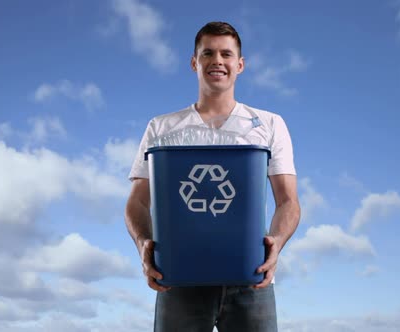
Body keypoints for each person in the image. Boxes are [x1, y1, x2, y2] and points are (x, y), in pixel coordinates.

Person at [125, 21, 300, 332]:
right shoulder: (162, 128)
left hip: (250, 274)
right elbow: (137, 202)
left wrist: (276, 243)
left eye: (226, 54)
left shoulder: (269, 125)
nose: (217, 61)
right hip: (179, 278)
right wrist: (144, 246)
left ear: (240, 64)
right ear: (194, 62)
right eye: (208, 53)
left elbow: (288, 201)